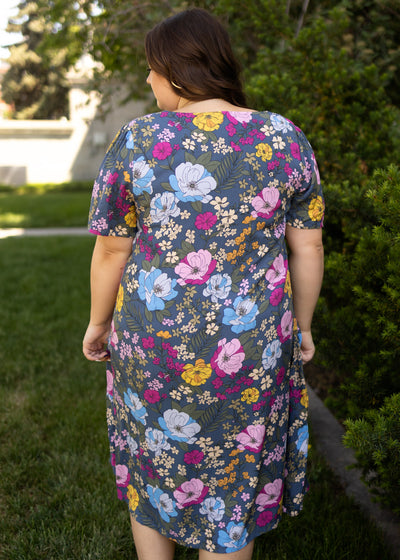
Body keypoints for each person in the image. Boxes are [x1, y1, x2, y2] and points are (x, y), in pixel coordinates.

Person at [83, 7, 324, 560]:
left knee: (153, 462)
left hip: (155, 341)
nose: (147, 80)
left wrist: (98, 324)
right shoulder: (280, 135)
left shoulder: (139, 138)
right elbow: (306, 246)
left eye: (150, 68)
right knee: (232, 476)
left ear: (174, 69)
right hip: (253, 344)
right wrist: (302, 328)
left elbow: (113, 246)